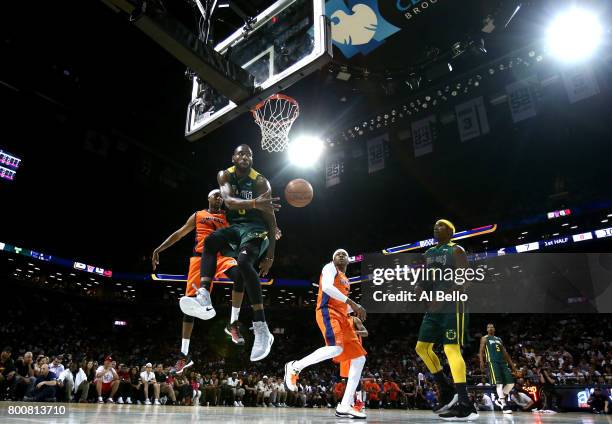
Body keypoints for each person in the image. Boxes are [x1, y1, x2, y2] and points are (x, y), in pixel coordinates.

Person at [200, 144, 281, 361]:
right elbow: (229, 202)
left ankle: (262, 327)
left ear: (252, 159)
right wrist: (255, 202)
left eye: (249, 154)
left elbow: (272, 220)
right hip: (237, 229)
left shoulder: (260, 181)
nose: (245, 157)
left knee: (244, 264)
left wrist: (270, 255)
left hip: (257, 230)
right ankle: (203, 293)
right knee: (210, 241)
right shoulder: (225, 175)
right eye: (240, 153)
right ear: (233, 157)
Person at [153, 189, 245, 372]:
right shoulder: (198, 215)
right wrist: (159, 249)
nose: (218, 197)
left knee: (240, 277)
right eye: (215, 195)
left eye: (221, 195)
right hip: (200, 259)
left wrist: (271, 229)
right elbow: (179, 234)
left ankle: (233, 323)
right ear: (208, 198)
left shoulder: (228, 216)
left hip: (221, 257)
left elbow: (247, 225)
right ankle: (183, 355)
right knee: (189, 308)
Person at [284, 249, 367, 419]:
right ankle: (294, 367)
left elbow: (344, 305)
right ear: (333, 259)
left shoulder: (346, 280)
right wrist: (353, 303)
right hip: (328, 311)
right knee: (335, 348)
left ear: (349, 261)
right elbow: (328, 288)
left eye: (344, 254)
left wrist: (357, 308)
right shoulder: (329, 268)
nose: (341, 255)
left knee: (359, 359)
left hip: (343, 316)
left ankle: (345, 406)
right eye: (338, 254)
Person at [415, 219, 479, 420]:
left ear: (451, 231)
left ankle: (465, 405)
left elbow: (465, 280)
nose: (436, 227)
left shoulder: (456, 250)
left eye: (441, 225)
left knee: (451, 348)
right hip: (434, 308)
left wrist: (442, 298)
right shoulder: (428, 253)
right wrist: (419, 287)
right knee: (421, 348)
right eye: (434, 225)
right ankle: (446, 389)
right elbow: (425, 278)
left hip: (453, 305)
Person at [479, 323, 517, 414]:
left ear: (494, 329)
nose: (490, 328)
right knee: (499, 384)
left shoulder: (499, 339)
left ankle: (500, 399)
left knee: (511, 383)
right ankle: (504, 405)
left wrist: (513, 366)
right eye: (488, 327)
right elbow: (481, 351)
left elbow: (505, 353)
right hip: (492, 362)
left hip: (502, 362)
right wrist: (481, 362)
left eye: (492, 327)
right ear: (487, 329)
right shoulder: (484, 338)